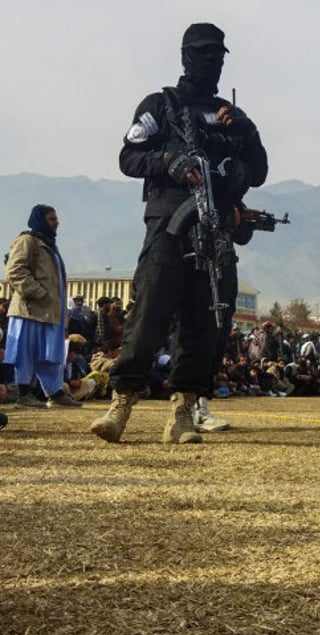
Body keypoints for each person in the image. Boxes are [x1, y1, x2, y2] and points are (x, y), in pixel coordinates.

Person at [90, 23, 268, 444]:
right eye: (204, 54)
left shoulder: (230, 117)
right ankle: (121, 404)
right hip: (169, 225)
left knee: (207, 322)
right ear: (186, 56)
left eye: (219, 55)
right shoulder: (160, 105)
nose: (212, 62)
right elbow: (128, 155)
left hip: (216, 230)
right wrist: (168, 161)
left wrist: (246, 131)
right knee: (149, 312)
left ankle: (184, 411)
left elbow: (258, 172)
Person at [4, 205, 82, 409]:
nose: (56, 222)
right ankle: (24, 393)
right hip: (29, 311)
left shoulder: (49, 245)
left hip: (49, 312)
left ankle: (55, 394)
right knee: (25, 353)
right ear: (39, 220)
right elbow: (14, 271)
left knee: (50, 355)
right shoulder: (27, 241)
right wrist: (38, 293)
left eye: (56, 218)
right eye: (51, 219)